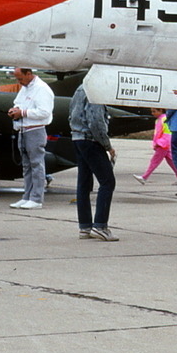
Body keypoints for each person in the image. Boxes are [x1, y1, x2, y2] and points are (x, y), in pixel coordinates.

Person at [69, 83, 117, 241]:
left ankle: (85, 226)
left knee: (83, 183)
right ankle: (100, 225)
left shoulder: (80, 88)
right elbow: (95, 121)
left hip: (78, 138)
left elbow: (72, 113)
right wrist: (107, 145)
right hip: (90, 140)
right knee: (107, 181)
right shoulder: (95, 90)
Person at [7, 67, 53, 210]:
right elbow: (18, 102)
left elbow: (44, 112)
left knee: (36, 164)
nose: (19, 82)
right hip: (23, 129)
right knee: (27, 165)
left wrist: (23, 112)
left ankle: (36, 198)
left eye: (20, 78)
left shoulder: (42, 89)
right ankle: (27, 196)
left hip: (35, 130)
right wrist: (15, 110)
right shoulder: (26, 88)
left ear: (29, 74)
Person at [133, 109, 177, 184]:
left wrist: (158, 142)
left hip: (163, 143)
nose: (152, 113)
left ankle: (144, 177)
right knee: (171, 161)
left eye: (154, 111)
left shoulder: (163, 119)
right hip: (164, 143)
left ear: (161, 111)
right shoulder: (162, 119)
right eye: (152, 111)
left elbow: (163, 132)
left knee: (154, 161)